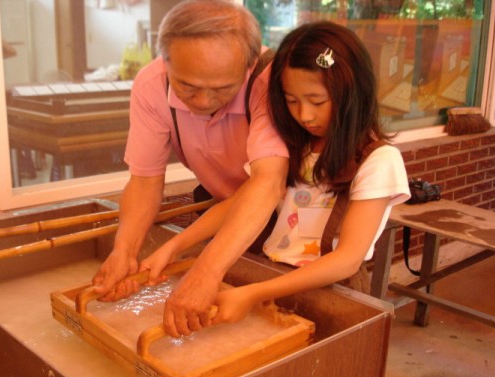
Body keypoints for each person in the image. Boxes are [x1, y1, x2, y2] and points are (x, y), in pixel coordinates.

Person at [140, 21, 410, 327]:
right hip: (272, 277)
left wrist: (254, 294)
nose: (304, 115)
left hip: (332, 294)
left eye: (317, 101)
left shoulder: (378, 161)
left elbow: (347, 259)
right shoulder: (291, 146)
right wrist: (174, 246)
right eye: (292, 101)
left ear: (353, 93)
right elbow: (236, 204)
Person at [92, 0, 289, 337]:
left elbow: (268, 184)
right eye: (187, 87)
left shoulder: (270, 81)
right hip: (220, 209)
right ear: (166, 62)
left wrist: (206, 271)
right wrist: (125, 251)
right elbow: (145, 180)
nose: (203, 101)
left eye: (222, 89)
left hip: (288, 216)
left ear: (248, 66)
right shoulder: (151, 85)